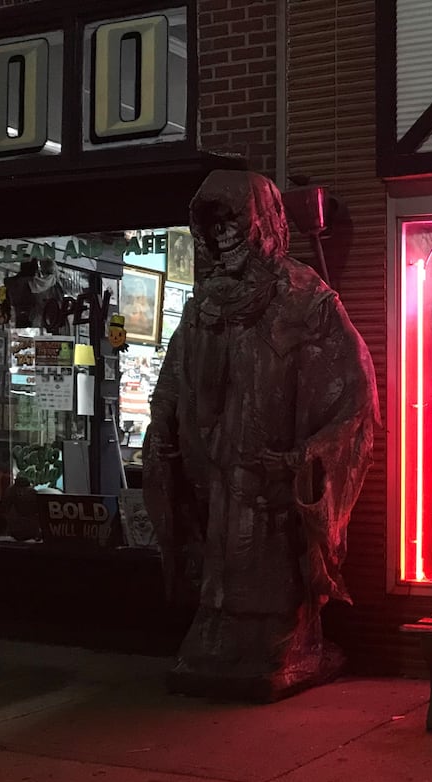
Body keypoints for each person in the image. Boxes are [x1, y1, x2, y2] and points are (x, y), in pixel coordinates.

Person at [144, 170, 380, 698]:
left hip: (271, 476)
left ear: (264, 223)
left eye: (233, 220)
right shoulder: (203, 305)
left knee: (269, 567)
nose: (221, 234)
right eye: (210, 224)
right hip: (213, 475)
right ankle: (219, 635)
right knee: (221, 564)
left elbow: (355, 395)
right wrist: (164, 436)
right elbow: (174, 382)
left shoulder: (306, 301)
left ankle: (284, 643)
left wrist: (309, 454)